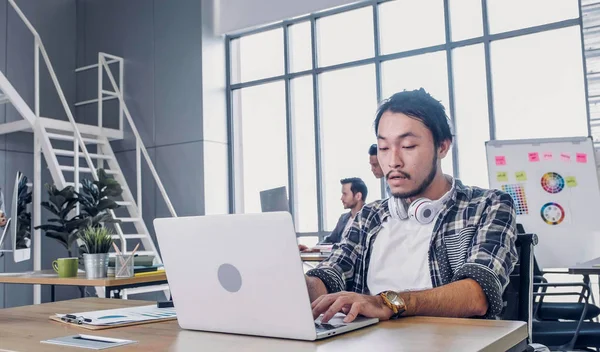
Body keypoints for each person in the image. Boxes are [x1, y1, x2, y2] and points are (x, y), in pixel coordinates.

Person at [305, 88, 517, 324]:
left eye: (408, 146)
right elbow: (333, 271)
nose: (393, 161)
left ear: (443, 147)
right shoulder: (369, 216)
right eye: (383, 148)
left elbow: (477, 294)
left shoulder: (488, 206)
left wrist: (387, 302)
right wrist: (297, 287)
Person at [299, 178, 368, 252]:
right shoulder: (344, 218)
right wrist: (312, 249)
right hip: (338, 260)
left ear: (358, 196)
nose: (341, 198)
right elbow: (330, 240)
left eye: (345, 194)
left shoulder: (368, 219)